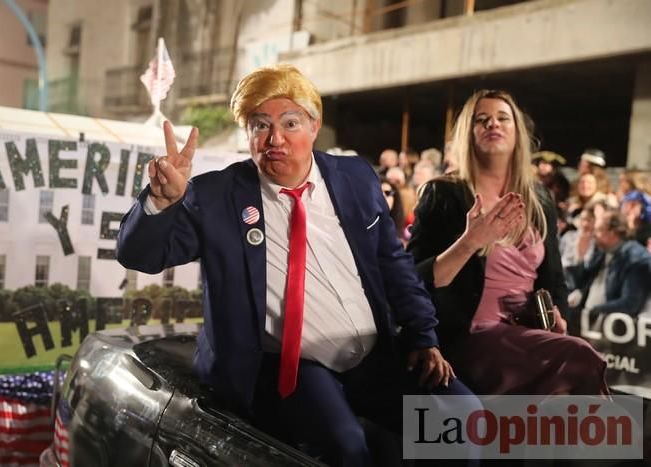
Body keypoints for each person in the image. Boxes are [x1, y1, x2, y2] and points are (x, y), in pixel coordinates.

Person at [116, 64, 473, 466]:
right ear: (247, 135)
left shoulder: (354, 176)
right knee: (345, 445)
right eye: (259, 125)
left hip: (374, 355)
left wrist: (423, 335)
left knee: (462, 419)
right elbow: (140, 256)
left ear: (314, 126)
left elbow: (391, 262)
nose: (275, 139)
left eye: (290, 122)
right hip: (293, 368)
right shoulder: (217, 195)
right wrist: (161, 203)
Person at [407, 89, 608, 396]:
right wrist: (471, 242)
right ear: (468, 133)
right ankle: (617, 444)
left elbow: (553, 277)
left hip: (526, 332)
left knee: (566, 386)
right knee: (581, 356)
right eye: (482, 119)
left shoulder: (539, 197)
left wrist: (558, 318)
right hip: (468, 335)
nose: (493, 125)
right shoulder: (443, 194)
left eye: (503, 118)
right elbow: (412, 281)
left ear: (518, 133)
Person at [567, 210, 651, 319]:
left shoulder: (636, 258)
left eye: (598, 230)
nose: (593, 234)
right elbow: (579, 283)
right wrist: (580, 257)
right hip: (587, 317)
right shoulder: (602, 252)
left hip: (610, 326)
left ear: (613, 232)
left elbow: (630, 304)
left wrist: (592, 311)